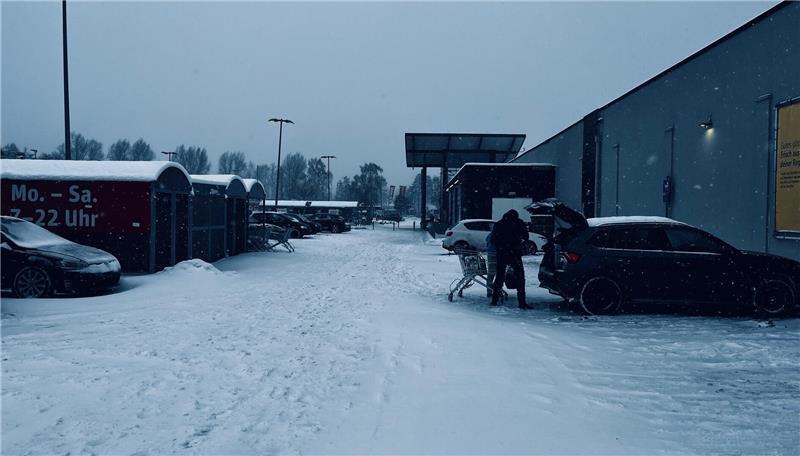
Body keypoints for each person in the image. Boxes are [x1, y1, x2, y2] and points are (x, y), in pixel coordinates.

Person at [490, 209, 532, 309]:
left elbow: (493, 239)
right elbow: (526, 237)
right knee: (520, 277)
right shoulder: (519, 223)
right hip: (515, 253)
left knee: (499, 276)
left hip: (502, 253)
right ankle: (522, 302)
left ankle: (494, 300)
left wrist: (501, 246)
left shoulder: (499, 224)